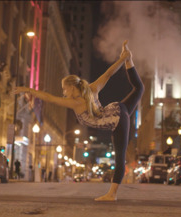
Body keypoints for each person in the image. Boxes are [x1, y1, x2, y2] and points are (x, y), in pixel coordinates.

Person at [14, 40, 144, 201]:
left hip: (117, 120)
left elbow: (49, 98)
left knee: (119, 158)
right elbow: (109, 73)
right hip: (119, 110)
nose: (63, 92)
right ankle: (130, 59)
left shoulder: (76, 102)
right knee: (139, 89)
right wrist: (123, 59)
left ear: (72, 87)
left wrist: (27, 89)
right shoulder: (91, 89)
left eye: (64, 89)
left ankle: (112, 194)